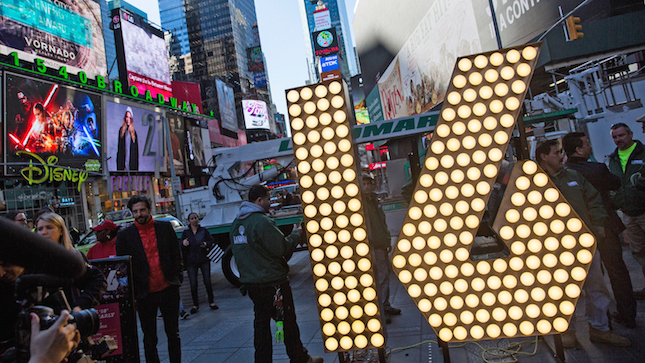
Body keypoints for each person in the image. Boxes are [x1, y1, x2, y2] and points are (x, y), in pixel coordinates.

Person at [536, 140, 631, 347]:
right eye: (557, 153)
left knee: (596, 286)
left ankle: (599, 328)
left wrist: (597, 224)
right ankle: (565, 331)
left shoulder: (573, 176)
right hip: (554, 249)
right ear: (543, 157)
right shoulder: (534, 183)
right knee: (560, 291)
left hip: (584, 244)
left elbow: (594, 199)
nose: (562, 156)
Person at [230, 185, 322, 363]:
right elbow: (281, 247)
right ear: (259, 200)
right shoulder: (261, 222)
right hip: (273, 283)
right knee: (287, 322)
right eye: (268, 198)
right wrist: (295, 234)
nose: (270, 202)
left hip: (252, 285)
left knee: (261, 326)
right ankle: (300, 358)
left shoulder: (236, 224)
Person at [563, 132, 637, 328]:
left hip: (579, 232)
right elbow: (616, 183)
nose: (589, 148)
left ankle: (601, 322)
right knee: (617, 271)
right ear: (578, 150)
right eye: (586, 145)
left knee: (591, 279)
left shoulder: (565, 174)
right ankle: (627, 314)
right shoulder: (596, 169)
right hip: (605, 227)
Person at [116, 194, 183, 363]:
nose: (139, 214)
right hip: (145, 294)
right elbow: (123, 268)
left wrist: (177, 277)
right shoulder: (125, 236)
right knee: (149, 337)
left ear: (149, 209)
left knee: (173, 333)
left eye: (142, 210)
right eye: (135, 211)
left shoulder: (165, 228)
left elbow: (177, 254)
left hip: (169, 288)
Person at [35, 213, 107, 313]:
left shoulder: (71, 256)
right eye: (40, 229)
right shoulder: (33, 258)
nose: (44, 232)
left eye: (49, 227)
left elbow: (98, 279)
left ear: (60, 230)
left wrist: (80, 306)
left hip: (68, 318)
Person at [608, 122, 645, 299]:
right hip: (628, 214)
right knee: (639, 252)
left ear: (630, 134)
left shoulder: (642, 154)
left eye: (621, 135)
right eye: (615, 137)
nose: (618, 140)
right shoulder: (613, 159)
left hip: (644, 210)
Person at [362, 174, 400, 324]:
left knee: (384, 274)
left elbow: (381, 222)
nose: (367, 187)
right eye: (364, 184)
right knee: (380, 275)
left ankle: (385, 304)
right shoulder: (363, 202)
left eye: (368, 184)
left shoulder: (373, 200)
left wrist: (386, 238)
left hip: (380, 243)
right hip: (373, 245)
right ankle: (382, 307)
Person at [180, 213, 218, 313]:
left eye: (195, 218)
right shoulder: (186, 233)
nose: (194, 220)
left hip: (203, 259)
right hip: (191, 261)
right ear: (189, 221)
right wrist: (184, 244)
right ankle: (195, 304)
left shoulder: (204, 231)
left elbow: (211, 241)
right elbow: (181, 245)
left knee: (207, 281)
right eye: (192, 218)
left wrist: (206, 244)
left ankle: (211, 301)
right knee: (193, 283)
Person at [116, 107, 138, 171]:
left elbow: (136, 154)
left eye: (130, 118)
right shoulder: (122, 131)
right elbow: (119, 150)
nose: (128, 119)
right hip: (122, 165)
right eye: (127, 117)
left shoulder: (134, 133)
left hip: (131, 166)